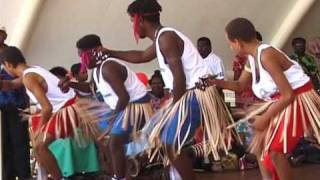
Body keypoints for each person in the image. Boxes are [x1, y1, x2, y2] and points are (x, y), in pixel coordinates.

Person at [97, 1, 238, 179]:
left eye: (131, 19)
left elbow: (180, 77)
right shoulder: (161, 38)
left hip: (196, 94)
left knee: (170, 143)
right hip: (190, 94)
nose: (131, 24)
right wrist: (110, 52)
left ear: (139, 20)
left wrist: (174, 107)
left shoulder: (166, 38)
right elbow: (141, 56)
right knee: (167, 141)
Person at [204, 17, 320, 180]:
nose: (230, 47)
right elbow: (240, 85)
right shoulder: (252, 59)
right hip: (283, 101)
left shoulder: (266, 55)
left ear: (237, 42)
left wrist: (264, 118)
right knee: (263, 148)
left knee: (275, 152)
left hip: (299, 99)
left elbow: (288, 94)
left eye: (230, 43)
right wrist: (214, 82)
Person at [59, 34, 153, 180]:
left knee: (114, 141)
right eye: (80, 56)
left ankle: (119, 176)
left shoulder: (109, 67)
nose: (82, 60)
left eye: (83, 55)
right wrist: (70, 84)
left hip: (136, 107)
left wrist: (112, 120)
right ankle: (121, 173)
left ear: (96, 50)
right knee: (103, 139)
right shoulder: (97, 70)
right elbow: (91, 88)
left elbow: (124, 97)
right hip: (122, 108)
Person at [0, 46, 97, 180]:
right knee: (39, 147)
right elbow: (11, 85)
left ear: (8, 65)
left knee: (40, 146)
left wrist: (40, 130)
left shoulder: (29, 77)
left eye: (3, 66)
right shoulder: (32, 71)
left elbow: (47, 108)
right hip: (71, 107)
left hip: (67, 110)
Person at [0, 25, 31, 180]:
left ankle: (24, 176)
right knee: (3, 145)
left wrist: (11, 84)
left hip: (16, 104)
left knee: (20, 143)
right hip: (1, 108)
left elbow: (24, 74)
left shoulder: (11, 52)